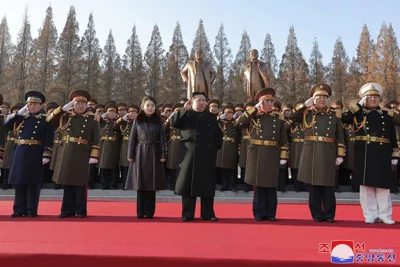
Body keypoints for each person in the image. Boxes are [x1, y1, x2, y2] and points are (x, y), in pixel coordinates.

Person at [342, 83, 398, 224]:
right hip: (364, 152)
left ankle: (385, 215)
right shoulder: (358, 114)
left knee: (383, 185)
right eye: (369, 96)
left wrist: (395, 153)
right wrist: (358, 105)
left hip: (382, 152)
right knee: (366, 186)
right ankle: (370, 214)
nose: (373, 99)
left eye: (375, 96)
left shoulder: (387, 114)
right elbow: (345, 118)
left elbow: (392, 135)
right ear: (364, 99)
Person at [290, 84, 345, 223]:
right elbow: (291, 116)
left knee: (328, 185)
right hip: (311, 151)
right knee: (314, 186)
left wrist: (340, 154)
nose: (322, 100)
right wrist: (303, 105)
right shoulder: (306, 113)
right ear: (313, 100)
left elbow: (340, 135)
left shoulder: (334, 115)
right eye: (318, 97)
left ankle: (329, 215)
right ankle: (316, 215)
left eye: (324, 97)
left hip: (328, 151)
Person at [46, 90, 100, 218]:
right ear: (72, 104)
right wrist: (62, 109)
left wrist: (94, 155)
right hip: (67, 151)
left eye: (83, 103)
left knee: (80, 183)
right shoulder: (65, 116)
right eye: (77, 103)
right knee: (67, 182)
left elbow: (96, 139)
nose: (80, 106)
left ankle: (80, 210)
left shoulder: (93, 119)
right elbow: (49, 121)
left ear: (86, 105)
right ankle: (67, 210)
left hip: (83, 152)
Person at [237, 88, 289, 221]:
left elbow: (283, 139)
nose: (270, 103)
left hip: (272, 152)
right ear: (260, 103)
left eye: (271, 101)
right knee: (259, 185)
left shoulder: (278, 119)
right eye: (267, 101)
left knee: (271, 185)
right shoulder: (253, 117)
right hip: (257, 153)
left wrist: (283, 156)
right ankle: (259, 213)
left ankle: (271, 213)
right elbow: (240, 122)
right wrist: (254, 109)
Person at [170, 91, 223, 221]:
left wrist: (213, 147)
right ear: (192, 102)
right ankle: (188, 213)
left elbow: (218, 135)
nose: (201, 103)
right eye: (198, 100)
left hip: (207, 155)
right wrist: (183, 109)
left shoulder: (211, 117)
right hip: (189, 154)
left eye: (203, 100)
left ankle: (208, 213)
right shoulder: (185, 115)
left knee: (207, 185)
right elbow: (173, 123)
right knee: (188, 184)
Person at [5, 91, 54, 217]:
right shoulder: (21, 117)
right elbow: (6, 124)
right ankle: (18, 209)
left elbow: (49, 138)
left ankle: (31, 210)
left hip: (35, 152)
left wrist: (46, 154)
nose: (32, 106)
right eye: (30, 104)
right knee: (19, 182)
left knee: (33, 182)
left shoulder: (45, 119)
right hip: (20, 152)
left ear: (40, 106)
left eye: (35, 104)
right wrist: (17, 113)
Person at [126, 96, 167, 219]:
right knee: (140, 183)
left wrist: (164, 154)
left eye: (152, 106)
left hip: (154, 152)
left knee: (152, 183)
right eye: (148, 105)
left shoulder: (158, 121)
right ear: (143, 107)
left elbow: (163, 140)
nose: (150, 108)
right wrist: (130, 154)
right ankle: (140, 211)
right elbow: (132, 139)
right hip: (140, 153)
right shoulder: (138, 121)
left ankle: (150, 212)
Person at [217, 103, 239, 192]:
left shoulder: (235, 123)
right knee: (223, 168)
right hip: (223, 146)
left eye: (230, 114)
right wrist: (219, 118)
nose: (229, 116)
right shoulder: (221, 123)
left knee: (231, 167)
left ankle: (231, 185)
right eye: (227, 114)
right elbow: (213, 124)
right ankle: (224, 185)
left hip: (232, 146)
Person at [116, 104, 139, 188]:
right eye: (130, 113)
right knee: (124, 165)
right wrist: (122, 119)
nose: (132, 114)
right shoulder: (124, 123)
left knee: (134, 165)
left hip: (135, 145)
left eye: (134, 113)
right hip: (125, 145)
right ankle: (124, 183)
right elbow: (115, 127)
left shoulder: (139, 122)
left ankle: (134, 183)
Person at [165, 103, 185, 190]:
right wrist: (168, 119)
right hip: (172, 145)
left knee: (180, 167)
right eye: (176, 111)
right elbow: (162, 130)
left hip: (181, 145)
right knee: (172, 166)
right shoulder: (170, 121)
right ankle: (172, 185)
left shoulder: (184, 120)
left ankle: (179, 186)